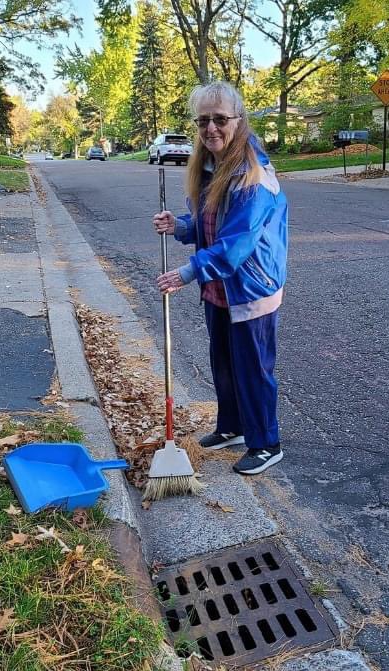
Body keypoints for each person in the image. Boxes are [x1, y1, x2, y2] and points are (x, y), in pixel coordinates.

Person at [152, 81, 288, 475]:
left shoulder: (253, 176)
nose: (211, 128)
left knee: (252, 367)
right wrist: (179, 227)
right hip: (220, 287)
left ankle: (265, 442)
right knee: (224, 362)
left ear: (239, 120)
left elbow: (235, 244)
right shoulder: (211, 167)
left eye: (220, 119)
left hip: (250, 287)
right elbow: (209, 225)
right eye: (203, 121)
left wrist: (186, 272)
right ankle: (232, 427)